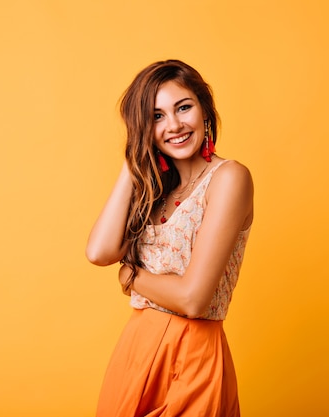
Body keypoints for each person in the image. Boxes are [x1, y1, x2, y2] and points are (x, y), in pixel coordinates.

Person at [86, 59, 253, 416]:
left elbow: (193, 300)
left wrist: (132, 277)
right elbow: (99, 252)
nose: (174, 125)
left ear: (205, 110)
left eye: (183, 107)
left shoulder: (229, 179)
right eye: (156, 116)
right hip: (135, 353)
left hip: (193, 357)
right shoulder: (156, 190)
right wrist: (134, 159)